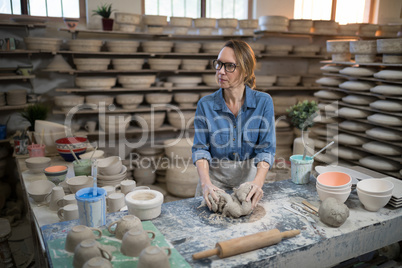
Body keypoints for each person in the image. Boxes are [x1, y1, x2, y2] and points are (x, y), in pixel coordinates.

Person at [192, 39, 276, 211]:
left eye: (229, 66)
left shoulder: (263, 102)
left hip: (249, 181)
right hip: (214, 181)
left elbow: (266, 149)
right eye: (218, 64)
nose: (221, 71)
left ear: (245, 71)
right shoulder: (205, 104)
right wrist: (205, 184)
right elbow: (200, 149)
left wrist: (258, 183)